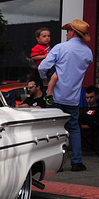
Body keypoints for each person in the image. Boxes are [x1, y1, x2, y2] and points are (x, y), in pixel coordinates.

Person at [38, 19, 93, 171]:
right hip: (73, 97)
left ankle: (57, 163)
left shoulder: (60, 48)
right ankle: (77, 162)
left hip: (55, 95)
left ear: (73, 32)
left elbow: (43, 67)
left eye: (68, 31)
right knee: (74, 128)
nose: (67, 34)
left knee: (54, 128)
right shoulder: (88, 52)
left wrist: (48, 77)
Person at [30, 28, 57, 104]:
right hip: (45, 67)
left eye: (48, 36)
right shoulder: (36, 47)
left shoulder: (48, 46)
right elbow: (33, 57)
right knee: (55, 77)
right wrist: (44, 56)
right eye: (44, 36)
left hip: (50, 65)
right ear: (38, 38)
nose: (47, 38)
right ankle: (48, 94)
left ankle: (50, 93)